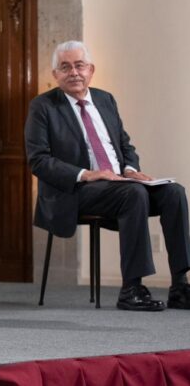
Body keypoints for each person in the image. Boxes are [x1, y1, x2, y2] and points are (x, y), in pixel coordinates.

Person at [25, 40, 190, 311]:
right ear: (55, 75)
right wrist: (87, 174)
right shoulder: (42, 107)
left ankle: (180, 286)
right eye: (65, 67)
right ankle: (131, 290)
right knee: (133, 194)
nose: (73, 72)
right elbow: (39, 161)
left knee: (174, 192)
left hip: (119, 184)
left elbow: (124, 145)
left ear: (91, 69)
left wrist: (130, 170)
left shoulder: (104, 99)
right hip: (74, 191)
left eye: (79, 65)